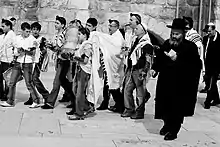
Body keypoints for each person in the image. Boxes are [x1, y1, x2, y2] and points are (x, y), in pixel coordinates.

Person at [151, 18, 202, 140]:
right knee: (164, 106)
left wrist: (177, 59)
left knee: (176, 109)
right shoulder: (167, 44)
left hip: (181, 85)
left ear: (183, 34)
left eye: (177, 34)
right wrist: (155, 68)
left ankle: (174, 130)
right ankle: (167, 125)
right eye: (172, 34)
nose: (174, 36)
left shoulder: (190, 47)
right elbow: (160, 58)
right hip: (165, 82)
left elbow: (196, 65)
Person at [1, 22, 41, 108]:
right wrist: (18, 52)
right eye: (26, 31)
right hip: (18, 62)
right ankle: (10, 101)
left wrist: (25, 51)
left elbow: (33, 52)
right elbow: (14, 50)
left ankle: (36, 100)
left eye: (29, 31)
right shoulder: (17, 38)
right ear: (22, 31)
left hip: (27, 63)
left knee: (29, 83)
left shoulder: (32, 39)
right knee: (12, 82)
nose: (28, 33)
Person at [41, 16, 75, 109]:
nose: (55, 25)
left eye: (57, 23)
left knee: (57, 82)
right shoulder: (57, 34)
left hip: (64, 61)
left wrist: (52, 47)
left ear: (63, 25)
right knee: (65, 82)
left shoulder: (64, 35)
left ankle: (50, 102)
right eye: (55, 23)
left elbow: (62, 48)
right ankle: (73, 99)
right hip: (59, 60)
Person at [121, 23, 153, 119]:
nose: (135, 30)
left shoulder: (146, 44)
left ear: (143, 31)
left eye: (137, 29)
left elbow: (148, 59)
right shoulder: (136, 41)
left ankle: (139, 112)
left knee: (140, 92)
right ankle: (129, 109)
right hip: (132, 69)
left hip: (139, 70)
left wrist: (144, 71)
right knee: (127, 89)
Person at [96, 19, 125, 113]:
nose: (109, 28)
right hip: (110, 65)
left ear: (116, 27)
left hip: (116, 66)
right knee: (108, 85)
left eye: (111, 26)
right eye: (109, 26)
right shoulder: (113, 36)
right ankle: (107, 103)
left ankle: (121, 105)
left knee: (114, 87)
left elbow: (116, 50)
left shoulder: (118, 37)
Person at [67, 27, 92, 120]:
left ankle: (79, 113)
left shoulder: (87, 45)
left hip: (84, 70)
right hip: (79, 69)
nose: (78, 36)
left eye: (80, 34)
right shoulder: (81, 45)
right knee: (75, 89)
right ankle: (87, 106)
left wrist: (76, 58)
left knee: (79, 93)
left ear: (84, 35)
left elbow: (85, 60)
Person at [23, 22, 49, 105]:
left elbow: (44, 50)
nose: (35, 31)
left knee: (35, 78)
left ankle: (46, 95)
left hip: (37, 62)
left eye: (37, 30)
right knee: (30, 80)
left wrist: (40, 50)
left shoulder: (42, 39)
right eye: (33, 29)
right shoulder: (29, 38)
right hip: (29, 61)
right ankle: (32, 97)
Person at [202, 22, 220, 109]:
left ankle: (207, 101)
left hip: (216, 66)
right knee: (209, 82)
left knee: (211, 84)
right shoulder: (206, 39)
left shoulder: (219, 39)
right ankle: (216, 99)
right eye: (207, 32)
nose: (208, 33)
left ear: (214, 30)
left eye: (209, 31)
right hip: (207, 65)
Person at [0, 19, 17, 101]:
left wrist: (14, 58)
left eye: (3, 26)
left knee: (8, 78)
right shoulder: (3, 36)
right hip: (2, 59)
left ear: (8, 26)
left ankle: (7, 95)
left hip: (9, 60)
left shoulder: (12, 35)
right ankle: (1, 93)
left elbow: (15, 47)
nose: (2, 28)